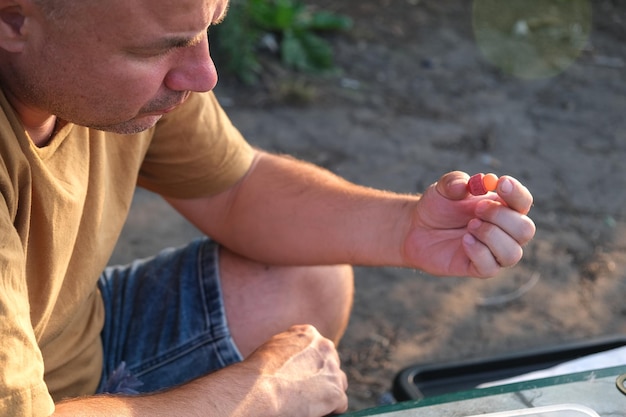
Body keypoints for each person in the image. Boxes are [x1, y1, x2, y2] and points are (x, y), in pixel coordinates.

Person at [0, 0, 536, 415]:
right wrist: (260, 396)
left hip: (73, 344)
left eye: (209, 27)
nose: (203, 74)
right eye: (154, 50)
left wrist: (407, 229)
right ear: (13, 21)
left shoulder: (114, 67)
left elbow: (235, 189)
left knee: (309, 276)